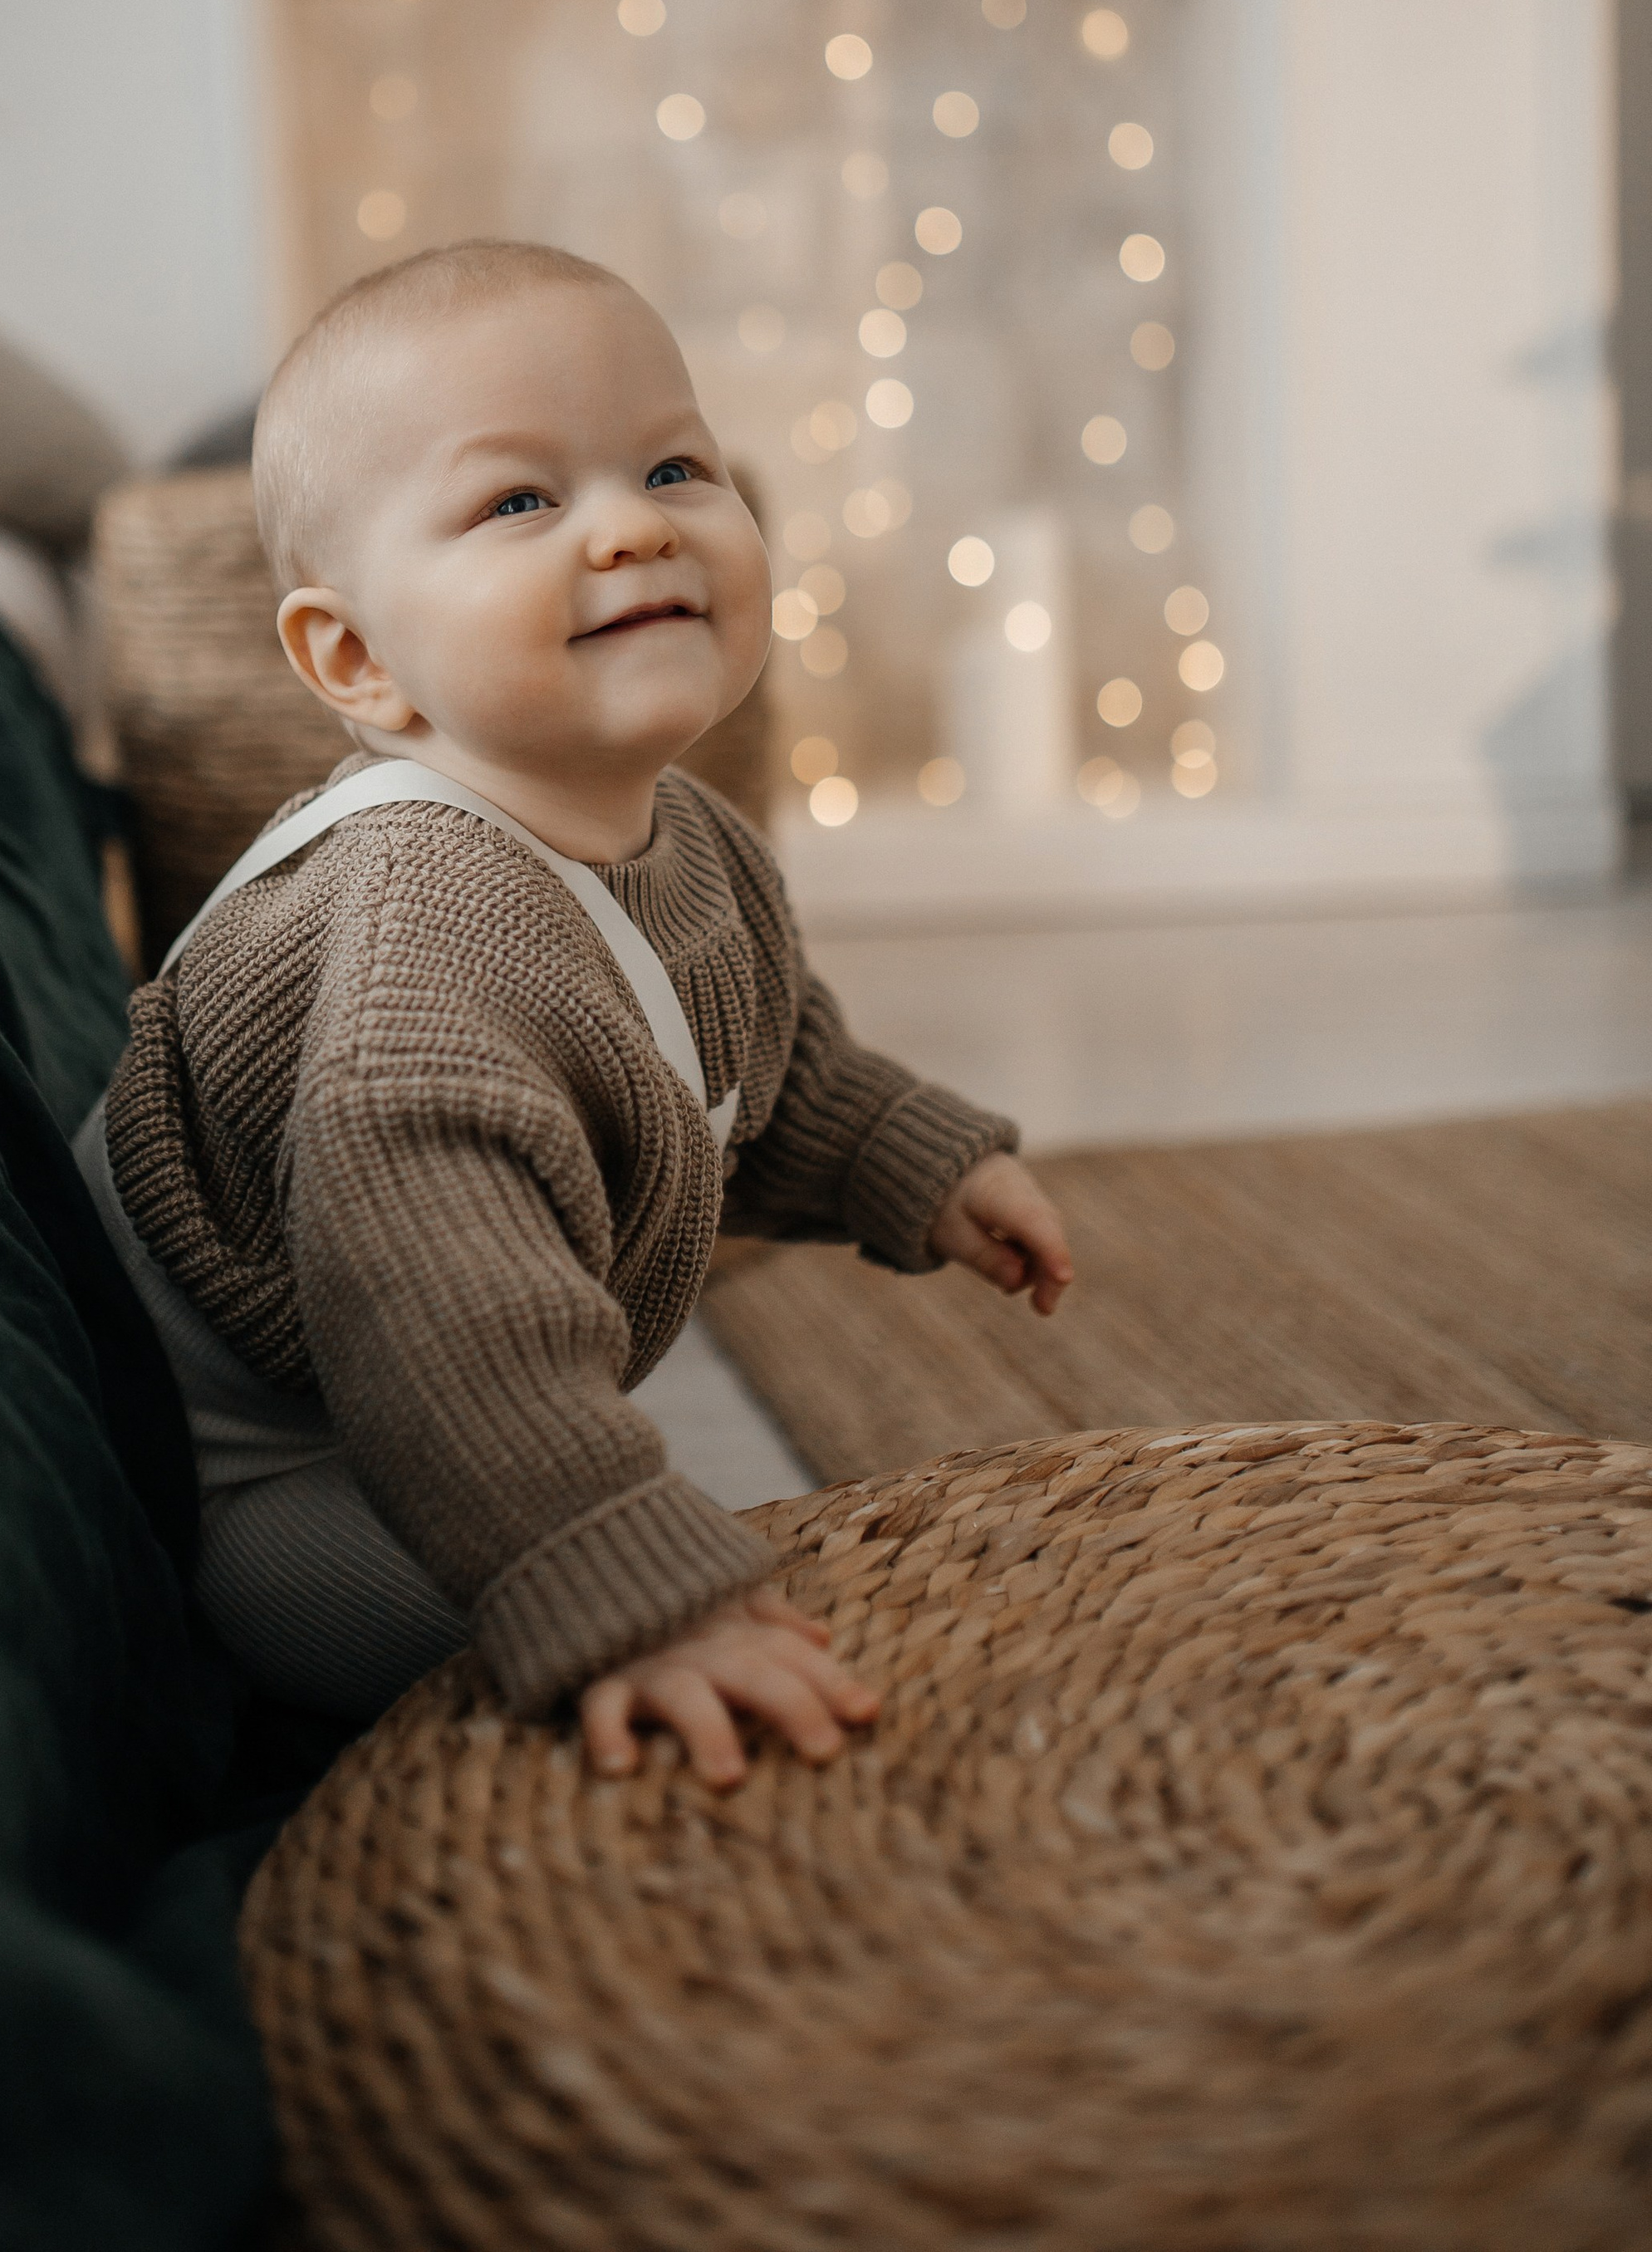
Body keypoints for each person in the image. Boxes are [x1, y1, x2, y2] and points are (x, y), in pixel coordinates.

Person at [78, 239, 1071, 1789]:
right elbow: (447, 1319)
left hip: (423, 1404)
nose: (631, 528)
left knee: (732, 1595)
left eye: (674, 465)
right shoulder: (425, 940)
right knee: (646, 1633)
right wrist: (617, 1590)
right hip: (248, 1469)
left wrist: (911, 1158)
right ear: (358, 657)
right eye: (520, 501)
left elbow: (765, 1066)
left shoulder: (684, 842)